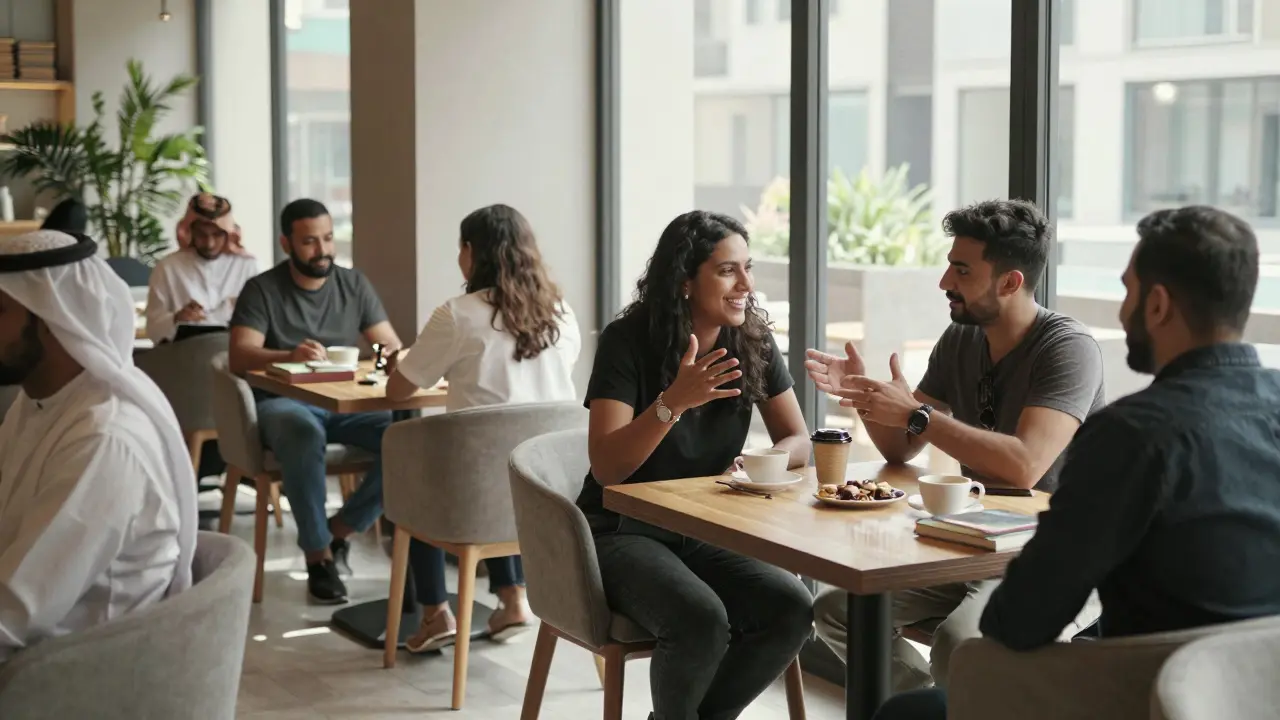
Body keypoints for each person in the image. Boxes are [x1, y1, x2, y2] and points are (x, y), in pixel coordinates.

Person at [873, 205, 1280, 718]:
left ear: (1157, 305)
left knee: (912, 710)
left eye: (1127, 291)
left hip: (1146, 697)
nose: (1123, 311)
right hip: (1263, 693)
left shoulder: (1131, 434)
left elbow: (1020, 619)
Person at [804, 199, 1106, 691]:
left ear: (1009, 282)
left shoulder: (1068, 348)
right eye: (949, 265)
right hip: (974, 540)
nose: (945, 281)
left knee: (961, 644)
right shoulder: (961, 339)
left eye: (961, 270)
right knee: (838, 611)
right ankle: (925, 707)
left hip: (1058, 557)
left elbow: (1024, 466)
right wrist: (867, 396)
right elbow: (902, 448)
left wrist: (916, 414)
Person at [578, 210, 814, 720]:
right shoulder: (628, 340)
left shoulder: (751, 340)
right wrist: (673, 403)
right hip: (620, 529)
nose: (746, 284)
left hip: (706, 527)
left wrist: (762, 461)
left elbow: (799, 440)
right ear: (685, 279)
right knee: (701, 620)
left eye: (748, 268)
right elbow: (607, 468)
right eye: (728, 270)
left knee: (791, 608)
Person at [382, 204, 582, 652]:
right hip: (552, 490)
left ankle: (435, 613)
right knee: (505, 460)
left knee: (417, 478)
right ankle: (512, 599)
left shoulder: (458, 314)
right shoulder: (562, 313)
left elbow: (398, 390)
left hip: (476, 498)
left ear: (471, 251)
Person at [0, 229, 197, 661]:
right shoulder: (38, 403)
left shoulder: (104, 438)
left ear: (50, 317)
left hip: (77, 674)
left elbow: (15, 613)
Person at [229, 198, 402, 604]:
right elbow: (239, 355)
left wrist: (389, 359)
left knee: (407, 435)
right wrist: (289, 355)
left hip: (345, 403)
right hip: (282, 402)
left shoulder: (353, 284)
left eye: (327, 238)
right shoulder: (262, 290)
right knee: (303, 433)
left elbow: (389, 344)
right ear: (286, 243)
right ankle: (318, 557)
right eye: (309, 242)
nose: (322, 250)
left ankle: (338, 531)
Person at [145, 193, 259, 343]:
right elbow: (152, 329)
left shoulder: (247, 266)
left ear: (228, 234)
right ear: (190, 232)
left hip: (232, 351)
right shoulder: (167, 268)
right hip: (184, 352)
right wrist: (177, 318)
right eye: (202, 234)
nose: (209, 244)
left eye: (217, 235)